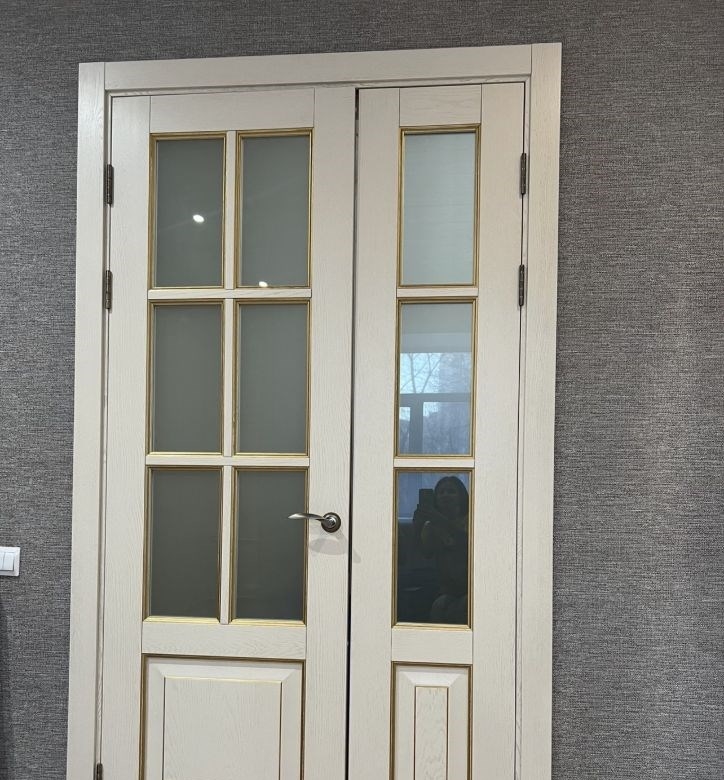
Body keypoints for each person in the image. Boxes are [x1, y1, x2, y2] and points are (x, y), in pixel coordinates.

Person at [412, 476, 469, 624]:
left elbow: (467, 544)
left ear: (462, 496)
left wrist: (441, 521)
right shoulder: (431, 526)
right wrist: (417, 526)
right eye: (441, 492)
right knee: (438, 607)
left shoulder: (471, 520)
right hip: (447, 589)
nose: (445, 495)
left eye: (451, 491)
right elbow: (425, 554)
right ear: (435, 498)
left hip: (471, 586)